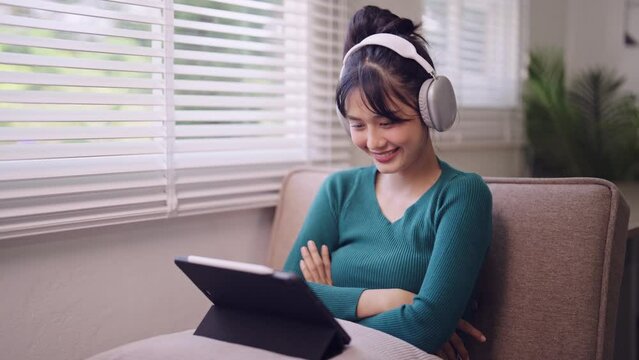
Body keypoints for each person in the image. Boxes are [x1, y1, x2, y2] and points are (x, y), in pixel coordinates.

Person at [282, 5, 492, 360]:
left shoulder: (462, 195)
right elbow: (283, 299)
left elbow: (425, 327)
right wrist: (388, 300)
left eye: (388, 121)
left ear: (430, 109)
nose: (374, 142)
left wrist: (326, 303)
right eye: (358, 125)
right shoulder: (339, 190)